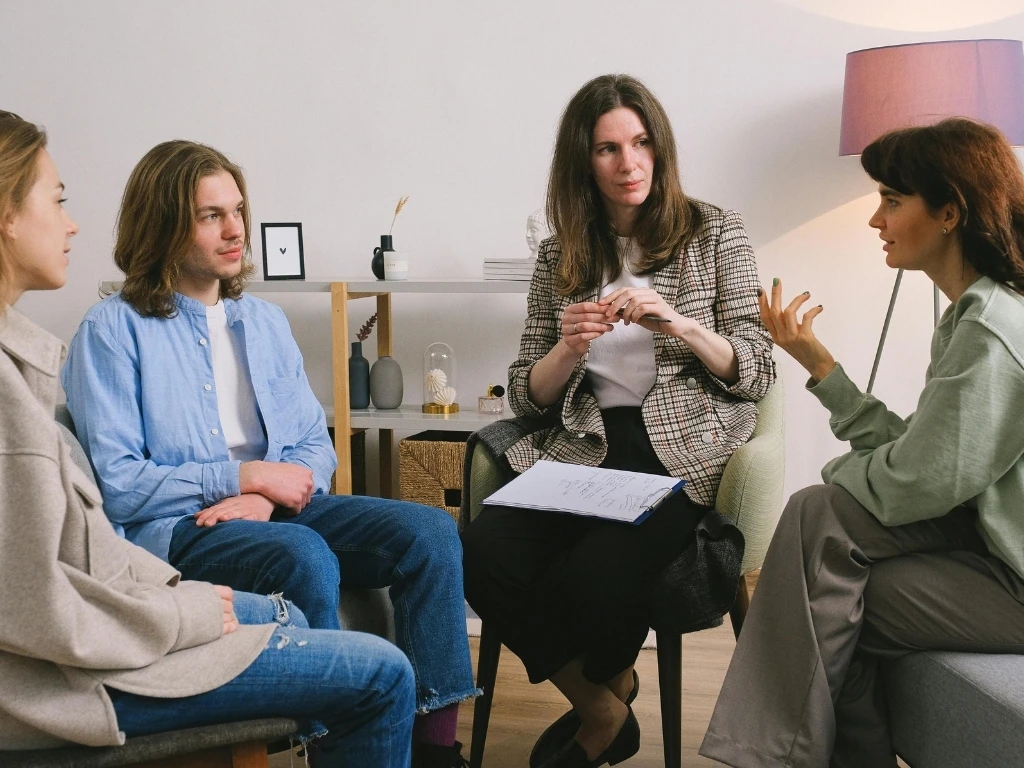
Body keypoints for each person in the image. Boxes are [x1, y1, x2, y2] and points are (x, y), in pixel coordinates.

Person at [0, 110, 415, 765]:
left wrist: (260, 506)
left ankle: (426, 737)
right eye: (57, 199)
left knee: (420, 535)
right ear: (7, 217)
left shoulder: (28, 368)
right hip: (102, 655)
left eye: (238, 211)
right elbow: (61, 588)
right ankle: (319, 731)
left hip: (145, 595)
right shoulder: (81, 347)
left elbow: (80, 557)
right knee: (349, 632)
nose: (73, 221)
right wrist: (189, 604)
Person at [461, 74, 775, 768]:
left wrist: (681, 324)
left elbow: (757, 366)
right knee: (483, 552)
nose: (628, 163)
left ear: (659, 150)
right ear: (583, 162)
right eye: (607, 149)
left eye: (640, 144)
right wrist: (566, 349)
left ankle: (605, 700)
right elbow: (526, 397)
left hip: (678, 452)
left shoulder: (715, 232)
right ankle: (604, 706)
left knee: (594, 576)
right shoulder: (560, 253)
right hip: (585, 448)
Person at [699, 117, 1024, 768]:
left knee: (820, 525)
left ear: (950, 213)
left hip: (1012, 582)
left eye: (893, 200)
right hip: (985, 550)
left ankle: (771, 754)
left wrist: (842, 473)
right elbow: (929, 457)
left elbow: (918, 482)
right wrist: (822, 367)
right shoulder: (974, 314)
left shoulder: (992, 328)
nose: (877, 219)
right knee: (831, 588)